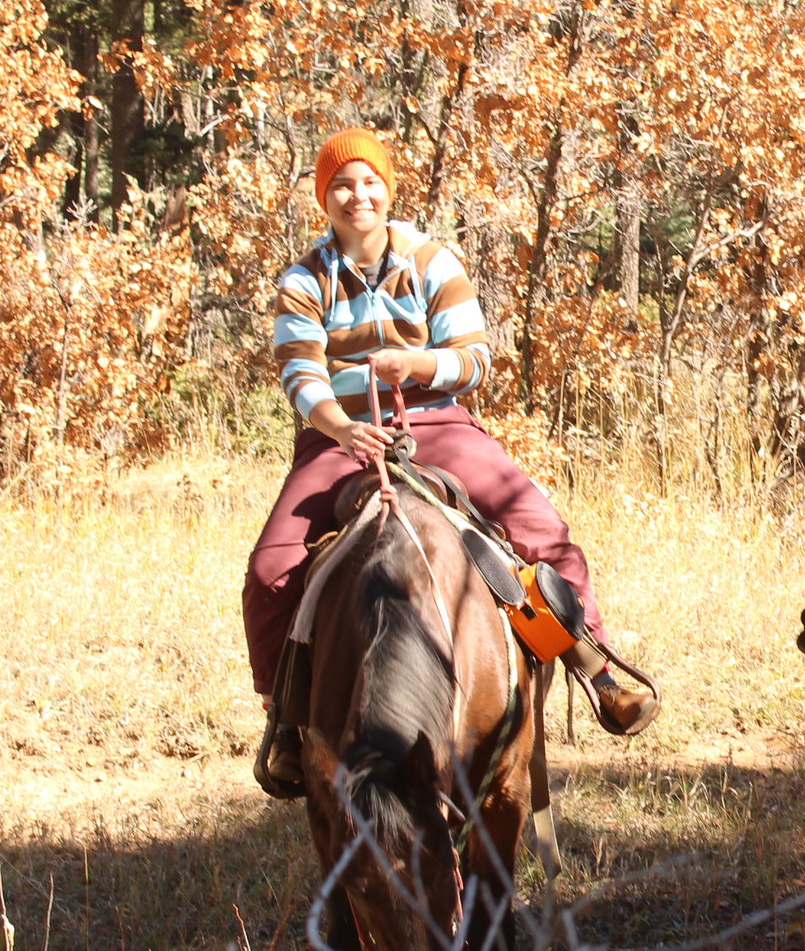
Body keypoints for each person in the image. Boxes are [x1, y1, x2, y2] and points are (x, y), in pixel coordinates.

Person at [242, 128, 656, 795]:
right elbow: (301, 375)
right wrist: (343, 428)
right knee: (270, 569)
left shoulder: (433, 260)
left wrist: (418, 363)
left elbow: (474, 356)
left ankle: (597, 669)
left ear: (387, 188)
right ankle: (286, 722)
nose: (358, 195)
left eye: (369, 181)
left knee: (540, 529)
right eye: (342, 184)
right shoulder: (304, 279)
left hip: (435, 421)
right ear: (325, 196)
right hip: (339, 438)